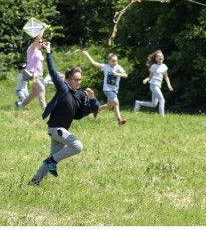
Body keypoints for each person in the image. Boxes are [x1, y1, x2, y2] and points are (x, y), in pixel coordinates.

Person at [29, 41, 99, 186]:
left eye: (80, 80)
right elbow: (53, 72)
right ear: (68, 80)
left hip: (62, 130)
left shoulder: (80, 95)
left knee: (52, 157)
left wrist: (92, 99)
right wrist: (48, 51)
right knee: (77, 146)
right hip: (55, 128)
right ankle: (51, 162)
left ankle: (35, 181)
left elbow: (89, 110)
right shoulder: (63, 88)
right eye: (76, 79)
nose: (78, 82)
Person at [82, 50, 128, 125]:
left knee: (109, 106)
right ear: (109, 61)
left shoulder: (118, 67)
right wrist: (87, 55)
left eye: (116, 61)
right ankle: (119, 120)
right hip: (107, 89)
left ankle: (96, 110)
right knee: (116, 102)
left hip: (114, 90)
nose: (115, 63)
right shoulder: (105, 67)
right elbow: (94, 63)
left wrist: (117, 74)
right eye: (113, 61)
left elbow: (126, 75)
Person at [134, 50, 173, 116]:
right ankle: (162, 117)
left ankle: (138, 103)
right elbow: (150, 76)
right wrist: (146, 80)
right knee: (162, 100)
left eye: (161, 56)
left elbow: (166, 77)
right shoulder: (153, 66)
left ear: (163, 58)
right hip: (153, 85)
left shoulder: (164, 66)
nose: (160, 57)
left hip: (158, 86)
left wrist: (169, 85)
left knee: (154, 104)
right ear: (156, 59)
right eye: (158, 56)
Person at [17, 30, 46, 110]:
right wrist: (43, 29)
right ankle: (45, 109)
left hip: (39, 75)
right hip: (33, 74)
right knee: (41, 89)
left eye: (42, 42)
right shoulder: (31, 49)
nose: (41, 43)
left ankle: (20, 105)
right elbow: (38, 38)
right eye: (40, 42)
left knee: (33, 94)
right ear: (35, 42)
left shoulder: (39, 52)